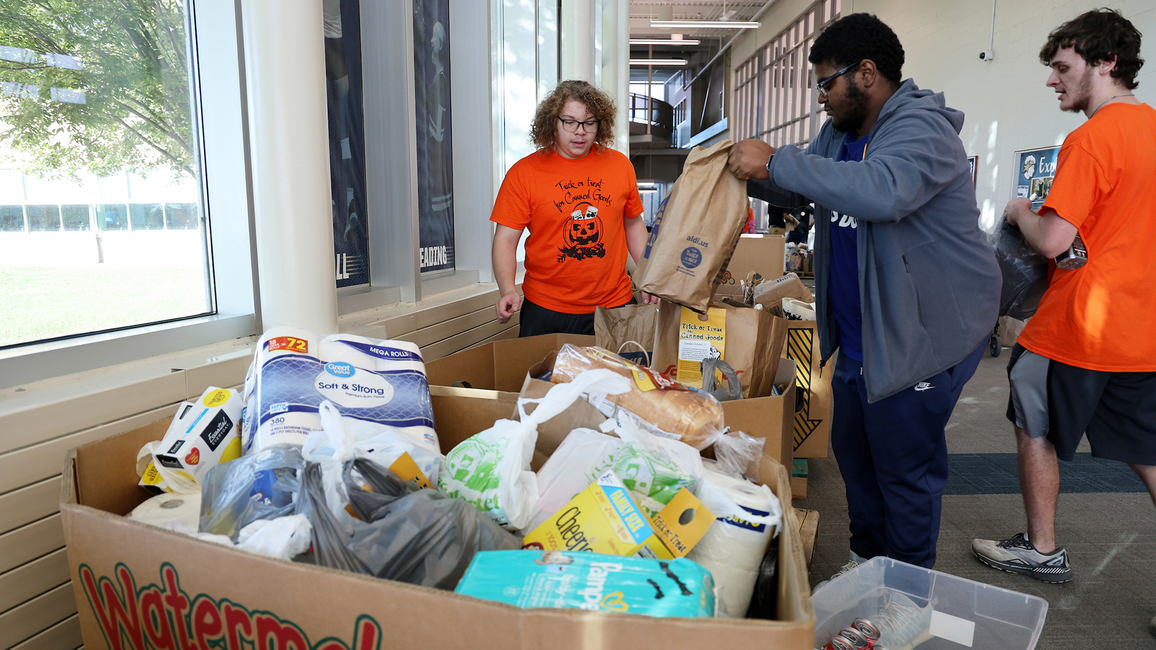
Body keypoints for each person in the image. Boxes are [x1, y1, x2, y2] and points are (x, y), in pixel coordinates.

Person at [728, 13, 1001, 576]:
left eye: (827, 82)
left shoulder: (922, 129)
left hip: (919, 337)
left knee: (904, 471)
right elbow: (811, 179)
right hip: (857, 340)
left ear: (867, 73)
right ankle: (867, 562)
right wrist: (742, 171)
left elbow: (883, 190)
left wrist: (777, 159)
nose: (821, 97)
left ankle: (906, 593)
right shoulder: (838, 134)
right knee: (856, 462)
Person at [971, 10, 1156, 635]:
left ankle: (1042, 550)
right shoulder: (1153, 130)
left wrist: (1021, 211)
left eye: (1062, 68)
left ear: (1105, 64)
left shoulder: (1091, 138)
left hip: (1076, 328)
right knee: (1152, 454)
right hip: (1143, 331)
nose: (1053, 81)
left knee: (1033, 420)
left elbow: (1052, 241)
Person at [491, 80, 657, 337]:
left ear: (600, 125)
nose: (580, 132)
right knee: (547, 378)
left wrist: (649, 276)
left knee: (618, 377)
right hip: (546, 307)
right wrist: (507, 289)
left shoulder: (620, 166)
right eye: (569, 122)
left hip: (614, 305)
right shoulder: (524, 173)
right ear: (553, 122)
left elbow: (633, 225)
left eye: (589, 123)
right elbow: (505, 239)